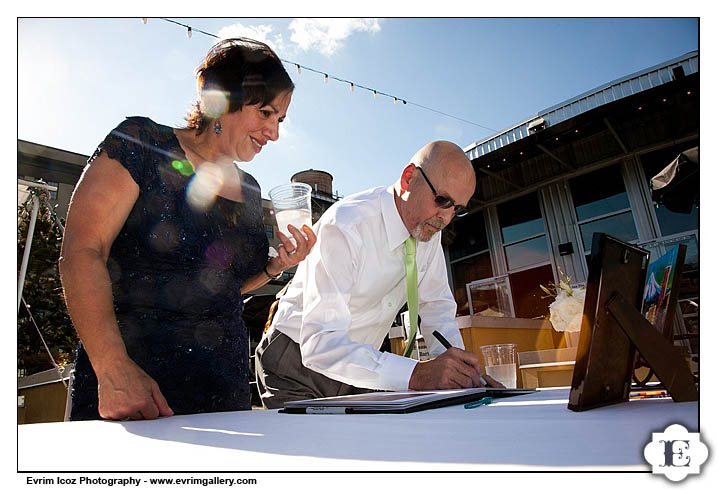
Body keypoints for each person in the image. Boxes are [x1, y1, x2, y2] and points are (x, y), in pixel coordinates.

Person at [59, 38, 316, 421]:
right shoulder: (142, 144)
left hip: (224, 393)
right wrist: (111, 367)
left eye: (279, 120)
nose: (274, 133)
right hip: (135, 387)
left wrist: (273, 268)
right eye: (265, 113)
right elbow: (82, 251)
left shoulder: (249, 190)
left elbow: (221, 287)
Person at [255, 141, 501, 409]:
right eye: (442, 200)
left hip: (362, 365)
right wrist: (417, 374)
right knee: (311, 448)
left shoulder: (429, 232)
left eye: (457, 208)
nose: (446, 218)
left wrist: (463, 376)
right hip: (295, 360)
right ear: (408, 179)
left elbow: (437, 310)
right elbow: (320, 344)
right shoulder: (347, 225)